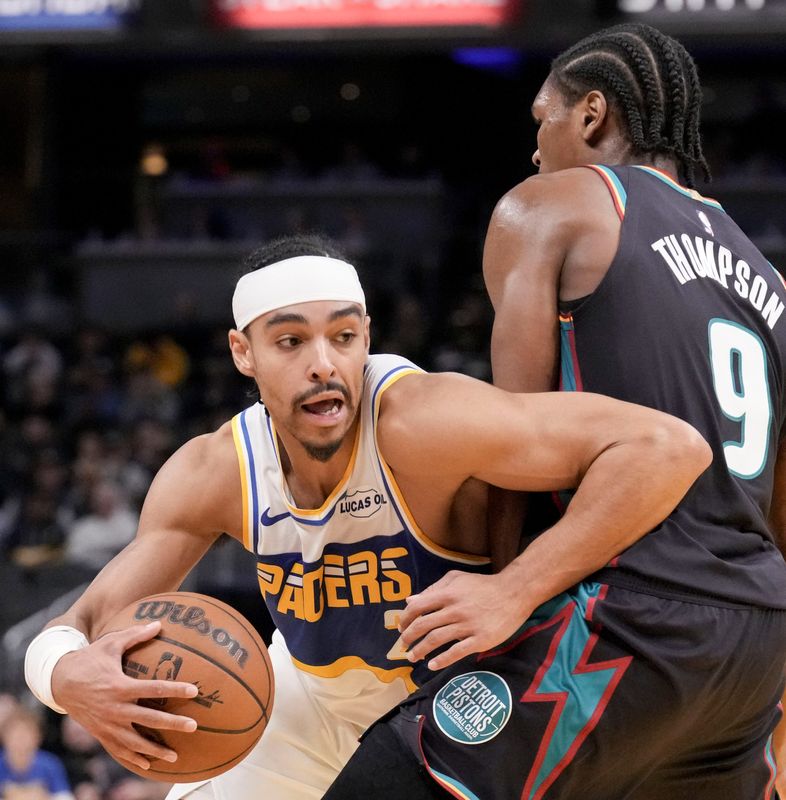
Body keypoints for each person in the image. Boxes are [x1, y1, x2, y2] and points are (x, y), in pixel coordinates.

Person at [23, 234, 709, 800]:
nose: (324, 364)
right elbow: (81, 621)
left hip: (450, 713)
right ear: (243, 353)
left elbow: (666, 448)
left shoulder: (422, 418)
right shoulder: (215, 471)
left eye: (343, 337)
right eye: (290, 342)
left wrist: (515, 588)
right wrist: (65, 676)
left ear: (366, 338)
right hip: (300, 703)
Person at [323, 23, 786, 800]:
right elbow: (778, 506)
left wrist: (505, 596)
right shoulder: (767, 275)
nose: (535, 149)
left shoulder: (554, 205)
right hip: (754, 647)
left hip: (628, 620)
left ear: (592, 115)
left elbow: (515, 441)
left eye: (543, 119)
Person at [0, 704, 75, 800]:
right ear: (4, 737)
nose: (20, 741)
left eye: (26, 735)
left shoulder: (50, 764)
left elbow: (64, 796)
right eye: (16, 735)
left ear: (37, 737)